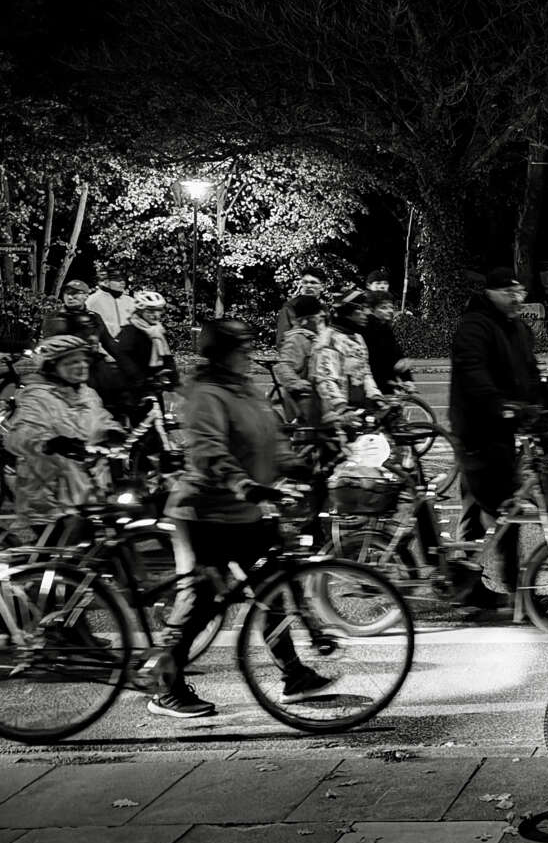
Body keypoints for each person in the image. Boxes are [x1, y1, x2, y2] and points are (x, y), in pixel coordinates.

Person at [149, 318, 333, 719]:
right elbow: (209, 452)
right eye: (241, 349)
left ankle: (294, 674)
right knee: (201, 602)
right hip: (203, 513)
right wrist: (244, 483)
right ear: (221, 354)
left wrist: (299, 465)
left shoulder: (246, 390)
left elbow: (271, 441)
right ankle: (165, 687)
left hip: (245, 511)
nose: (249, 355)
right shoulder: (205, 395)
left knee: (272, 589)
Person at [1, 334, 124, 544]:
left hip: (87, 491)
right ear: (52, 366)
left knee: (94, 552)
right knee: (61, 553)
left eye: (84, 360)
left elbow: (101, 420)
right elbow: (18, 437)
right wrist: (50, 443)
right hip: (49, 494)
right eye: (72, 362)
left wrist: (112, 432)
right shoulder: (36, 397)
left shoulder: (88, 394)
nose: (82, 366)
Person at [449, 267, 542, 542]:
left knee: (482, 498)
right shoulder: (474, 325)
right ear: (490, 293)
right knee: (501, 503)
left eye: (519, 292)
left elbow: (529, 370)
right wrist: (500, 405)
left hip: (503, 427)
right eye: (508, 292)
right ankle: (500, 563)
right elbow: (472, 372)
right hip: (476, 428)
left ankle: (467, 557)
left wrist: (542, 401)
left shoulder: (517, 327)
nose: (516, 298)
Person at [312, 293, 381, 424]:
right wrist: (341, 407)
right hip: (335, 414)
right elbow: (325, 379)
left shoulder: (358, 338)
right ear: (348, 313)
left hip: (356, 410)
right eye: (361, 309)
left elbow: (365, 372)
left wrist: (375, 396)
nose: (366, 314)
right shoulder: (330, 339)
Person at [114, 290, 178, 411]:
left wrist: (173, 376)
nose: (156, 315)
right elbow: (123, 357)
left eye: (159, 311)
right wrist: (140, 379)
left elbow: (166, 355)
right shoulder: (130, 331)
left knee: (160, 416)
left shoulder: (158, 330)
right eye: (150, 311)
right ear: (140, 311)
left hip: (153, 385)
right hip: (134, 387)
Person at [274, 295, 325, 421]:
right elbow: (284, 367)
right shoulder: (296, 339)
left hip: (319, 402)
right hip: (304, 403)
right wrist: (300, 385)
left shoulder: (315, 338)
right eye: (318, 316)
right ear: (307, 319)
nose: (321, 319)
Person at [363, 290, 413, 394]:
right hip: (374, 385)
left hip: (387, 383)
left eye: (391, 307)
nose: (389, 311)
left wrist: (407, 379)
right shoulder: (368, 328)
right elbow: (375, 359)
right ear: (372, 309)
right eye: (383, 307)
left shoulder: (385, 327)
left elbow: (397, 353)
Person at [273, 266, 328, 347]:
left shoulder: (324, 308)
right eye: (305, 282)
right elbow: (281, 341)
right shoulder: (289, 308)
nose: (308, 286)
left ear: (322, 286)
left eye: (313, 283)